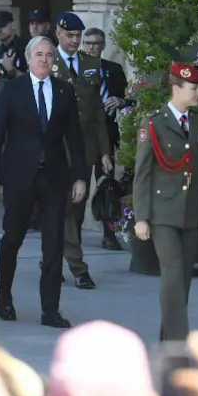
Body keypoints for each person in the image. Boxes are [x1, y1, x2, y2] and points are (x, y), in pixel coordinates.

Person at [0, 35, 88, 329]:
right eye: (39, 54)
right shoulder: (12, 91)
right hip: (20, 178)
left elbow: (75, 139)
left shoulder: (65, 91)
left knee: (53, 245)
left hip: (54, 178)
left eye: (49, 55)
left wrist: (79, 177)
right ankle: (4, 296)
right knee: (12, 240)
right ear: (28, 59)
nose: (44, 59)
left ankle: (50, 310)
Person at [132, 63, 198, 341]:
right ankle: (179, 342)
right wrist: (141, 217)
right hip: (162, 211)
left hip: (191, 210)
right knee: (172, 272)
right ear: (177, 88)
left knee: (184, 278)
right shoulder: (154, 123)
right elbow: (142, 173)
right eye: (193, 88)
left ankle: (169, 340)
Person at [51, 12, 112, 290]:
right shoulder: (47, 62)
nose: (75, 41)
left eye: (79, 36)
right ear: (59, 34)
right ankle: (78, 266)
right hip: (56, 149)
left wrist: (104, 152)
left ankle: (53, 254)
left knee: (76, 207)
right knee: (63, 208)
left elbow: (98, 111)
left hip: (84, 148)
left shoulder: (91, 63)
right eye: (71, 36)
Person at [82, 26, 128, 250]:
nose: (92, 47)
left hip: (108, 133)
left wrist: (121, 101)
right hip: (82, 136)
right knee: (78, 183)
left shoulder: (114, 69)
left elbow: (127, 97)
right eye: (88, 43)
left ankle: (109, 234)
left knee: (107, 183)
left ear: (103, 45)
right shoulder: (75, 70)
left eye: (96, 43)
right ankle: (73, 232)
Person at [0, 10, 27, 94]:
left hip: (23, 97)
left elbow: (35, 78)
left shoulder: (25, 47)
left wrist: (12, 70)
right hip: (5, 99)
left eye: (2, 26)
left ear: (13, 25)